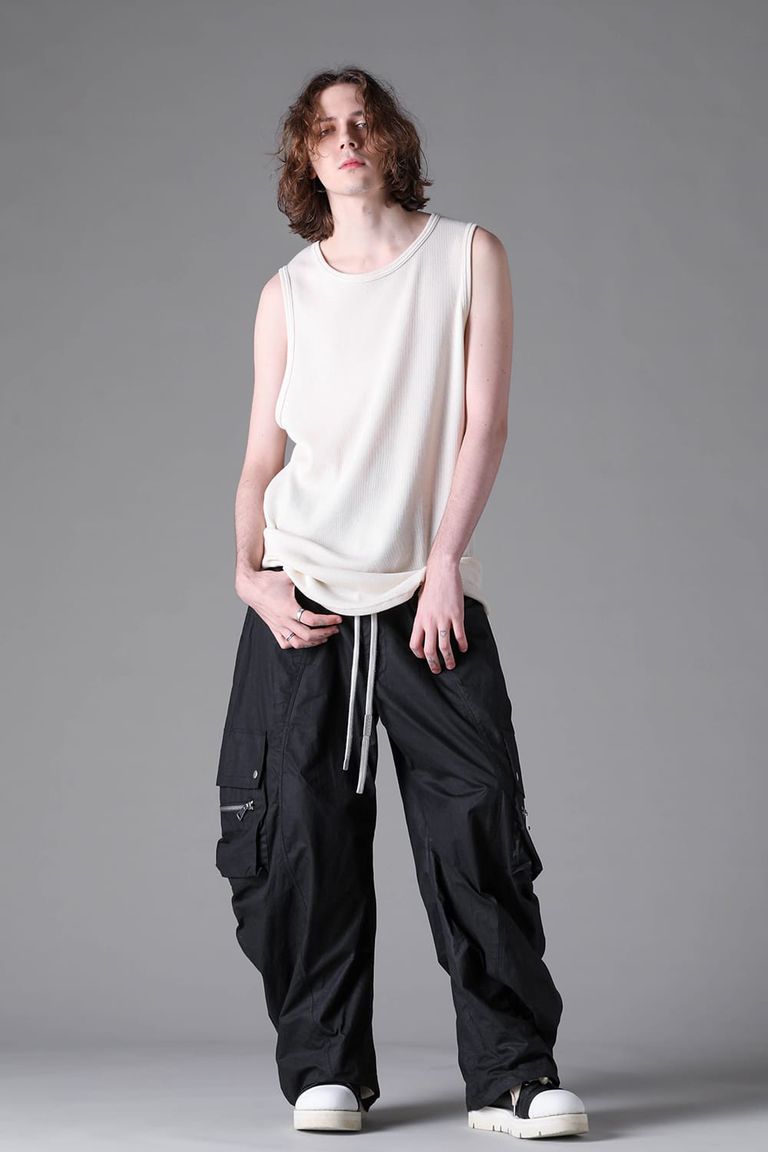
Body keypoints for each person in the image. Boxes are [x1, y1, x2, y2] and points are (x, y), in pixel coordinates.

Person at [214, 65, 589, 1140]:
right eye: (325, 128)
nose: (346, 138)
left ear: (390, 140)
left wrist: (445, 559)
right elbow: (260, 459)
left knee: (476, 824)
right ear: (305, 156)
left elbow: (484, 424)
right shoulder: (285, 295)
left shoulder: (468, 256)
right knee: (297, 834)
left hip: (425, 595)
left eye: (362, 121)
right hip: (301, 596)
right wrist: (247, 573)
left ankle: (512, 1076)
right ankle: (325, 1068)